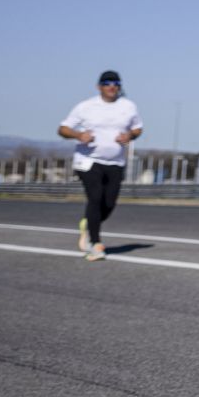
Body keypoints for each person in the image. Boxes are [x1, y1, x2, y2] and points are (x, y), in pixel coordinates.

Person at [58, 70, 143, 262]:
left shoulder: (128, 106)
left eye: (115, 83)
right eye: (107, 83)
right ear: (99, 86)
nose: (111, 86)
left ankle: (88, 226)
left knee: (109, 204)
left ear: (120, 87)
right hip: (88, 161)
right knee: (95, 198)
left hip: (116, 161)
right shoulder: (86, 107)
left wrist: (129, 136)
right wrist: (79, 136)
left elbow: (138, 127)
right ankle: (95, 244)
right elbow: (62, 128)